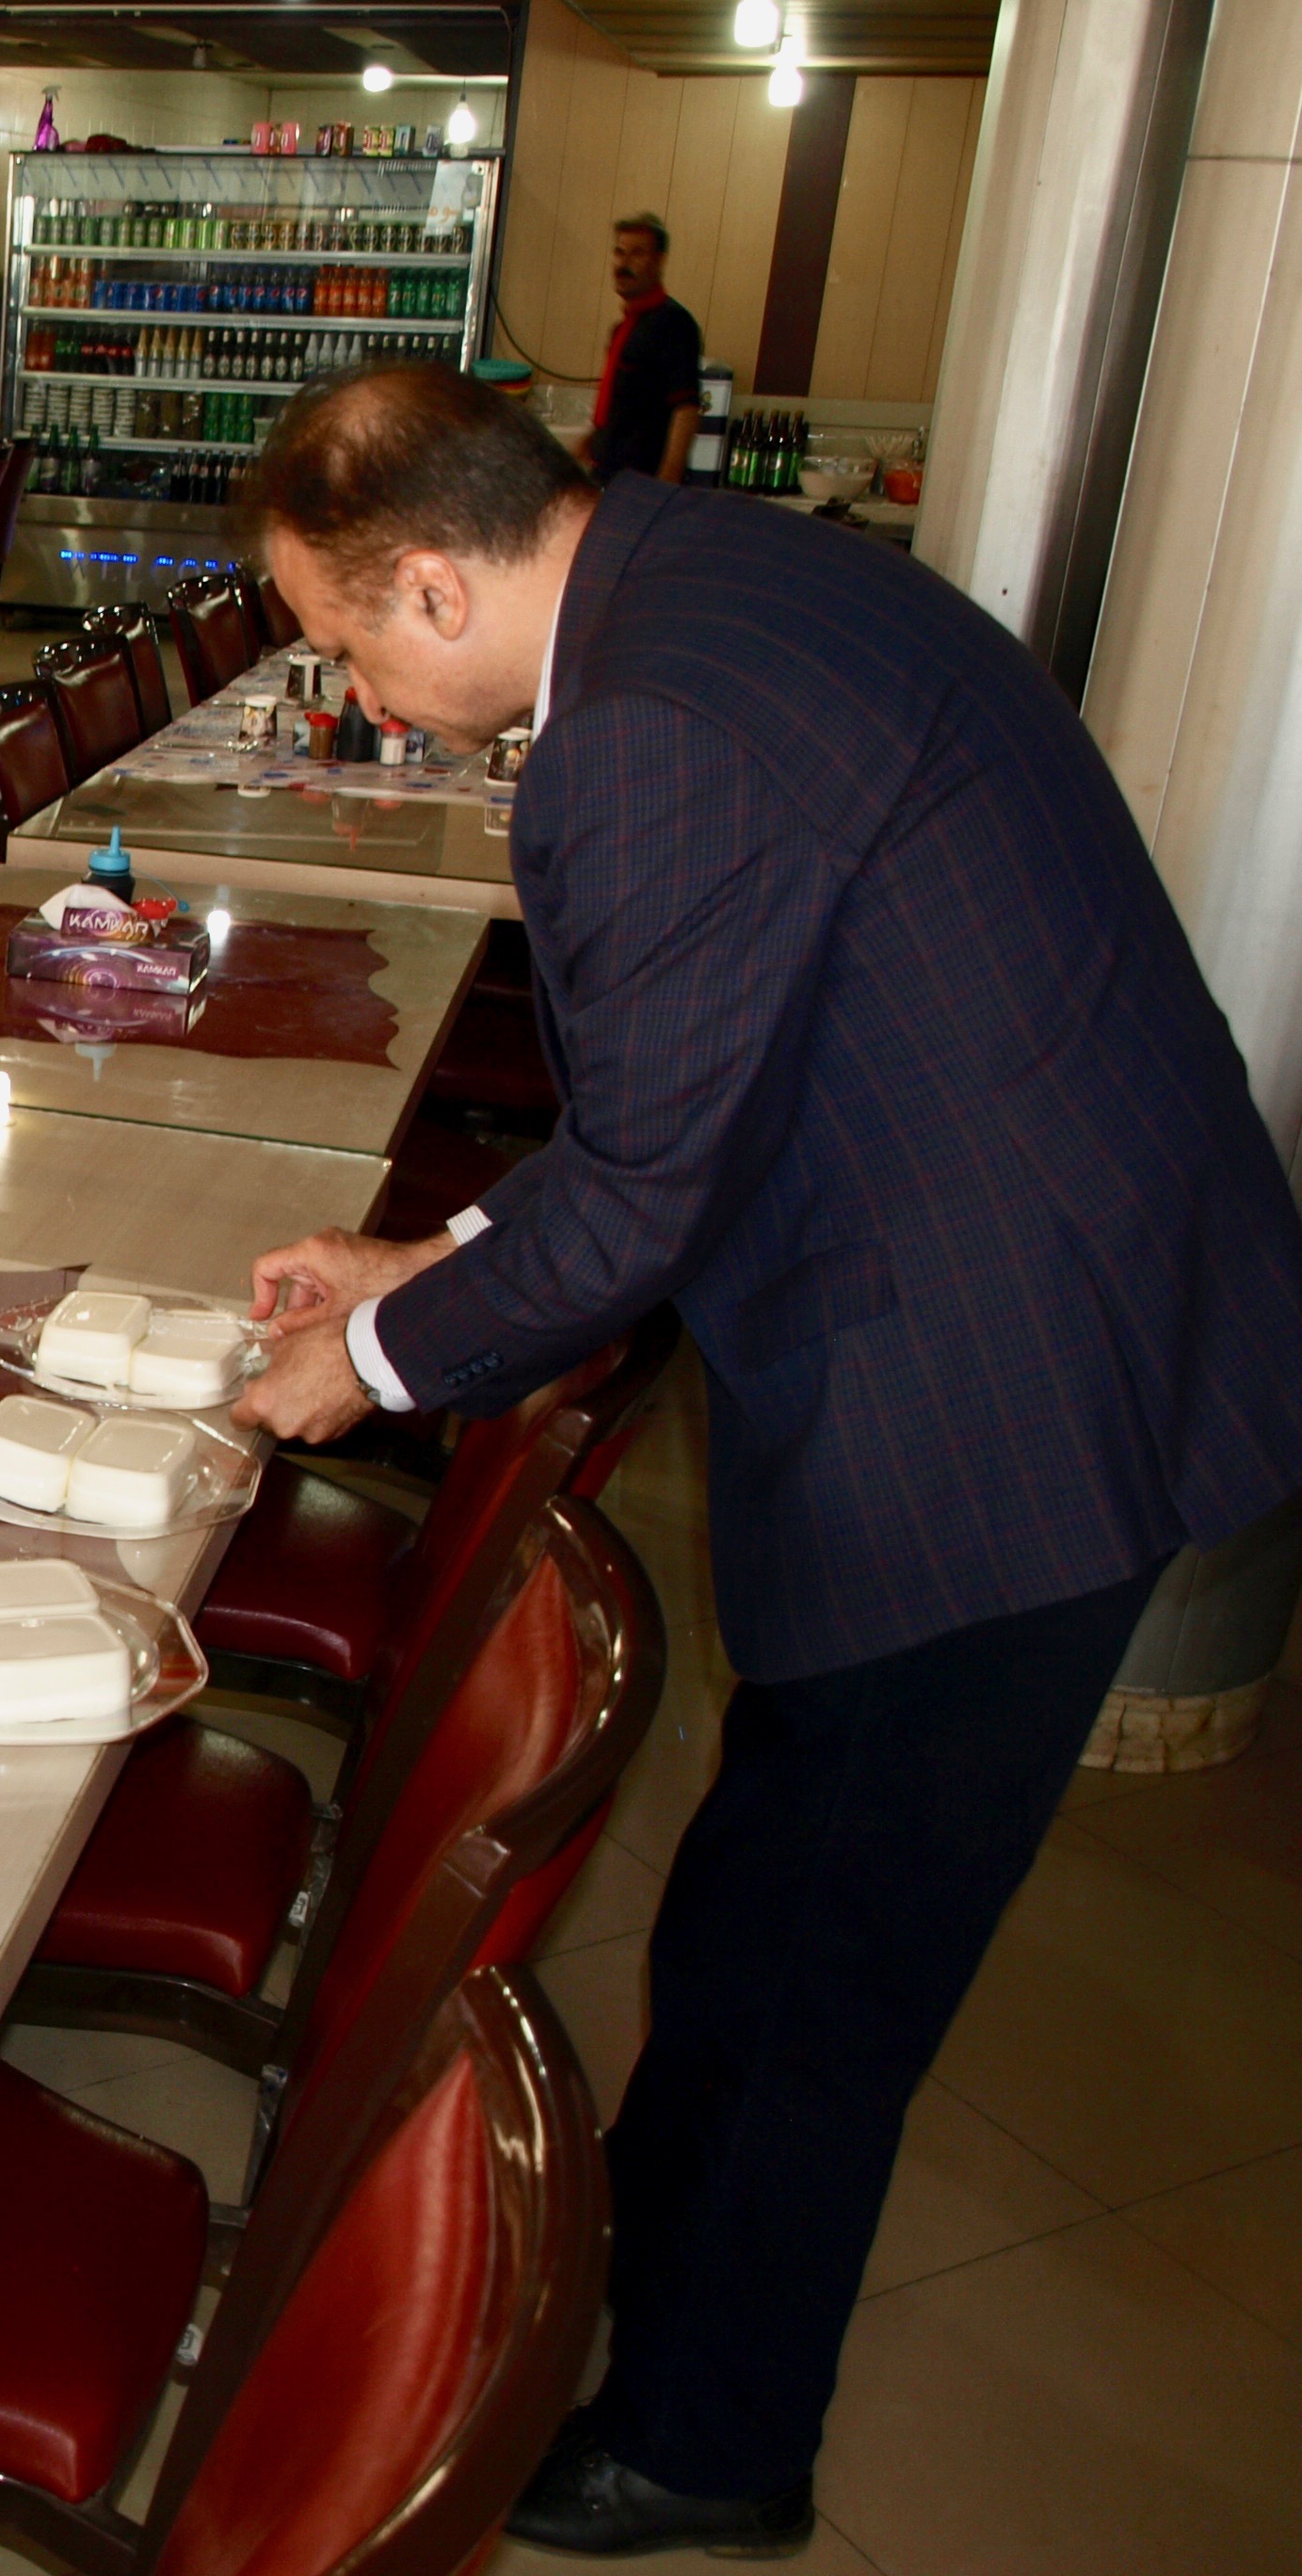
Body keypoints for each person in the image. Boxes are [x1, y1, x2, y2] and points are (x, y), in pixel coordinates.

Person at [225, 364, 1302, 2556]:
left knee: (817, 1959)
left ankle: (711, 2436)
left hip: (1005, 1392)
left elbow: (641, 1202)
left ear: (438, 575)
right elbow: (684, 1105)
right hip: (1033, 1287)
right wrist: (419, 1243)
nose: (357, 687)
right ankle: (675, 2307)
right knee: (762, 1910)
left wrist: (378, 1353)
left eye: (347, 641)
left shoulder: (644, 737)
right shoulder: (705, 577)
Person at [580, 214, 701, 486]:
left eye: (637, 254)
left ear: (659, 261)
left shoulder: (673, 324)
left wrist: (665, 483)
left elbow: (686, 410)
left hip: (641, 484)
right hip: (607, 476)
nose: (624, 264)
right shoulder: (624, 328)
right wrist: (590, 443)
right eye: (620, 253)